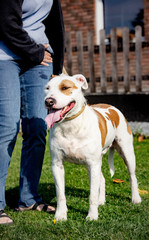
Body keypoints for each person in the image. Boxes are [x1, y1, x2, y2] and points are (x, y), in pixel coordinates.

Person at [0, 0, 65, 225]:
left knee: (38, 127)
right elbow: (6, 22)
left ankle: (28, 199)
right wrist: (35, 51)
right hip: (5, 56)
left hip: (39, 60)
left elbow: (55, 25)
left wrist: (56, 67)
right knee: (7, 127)